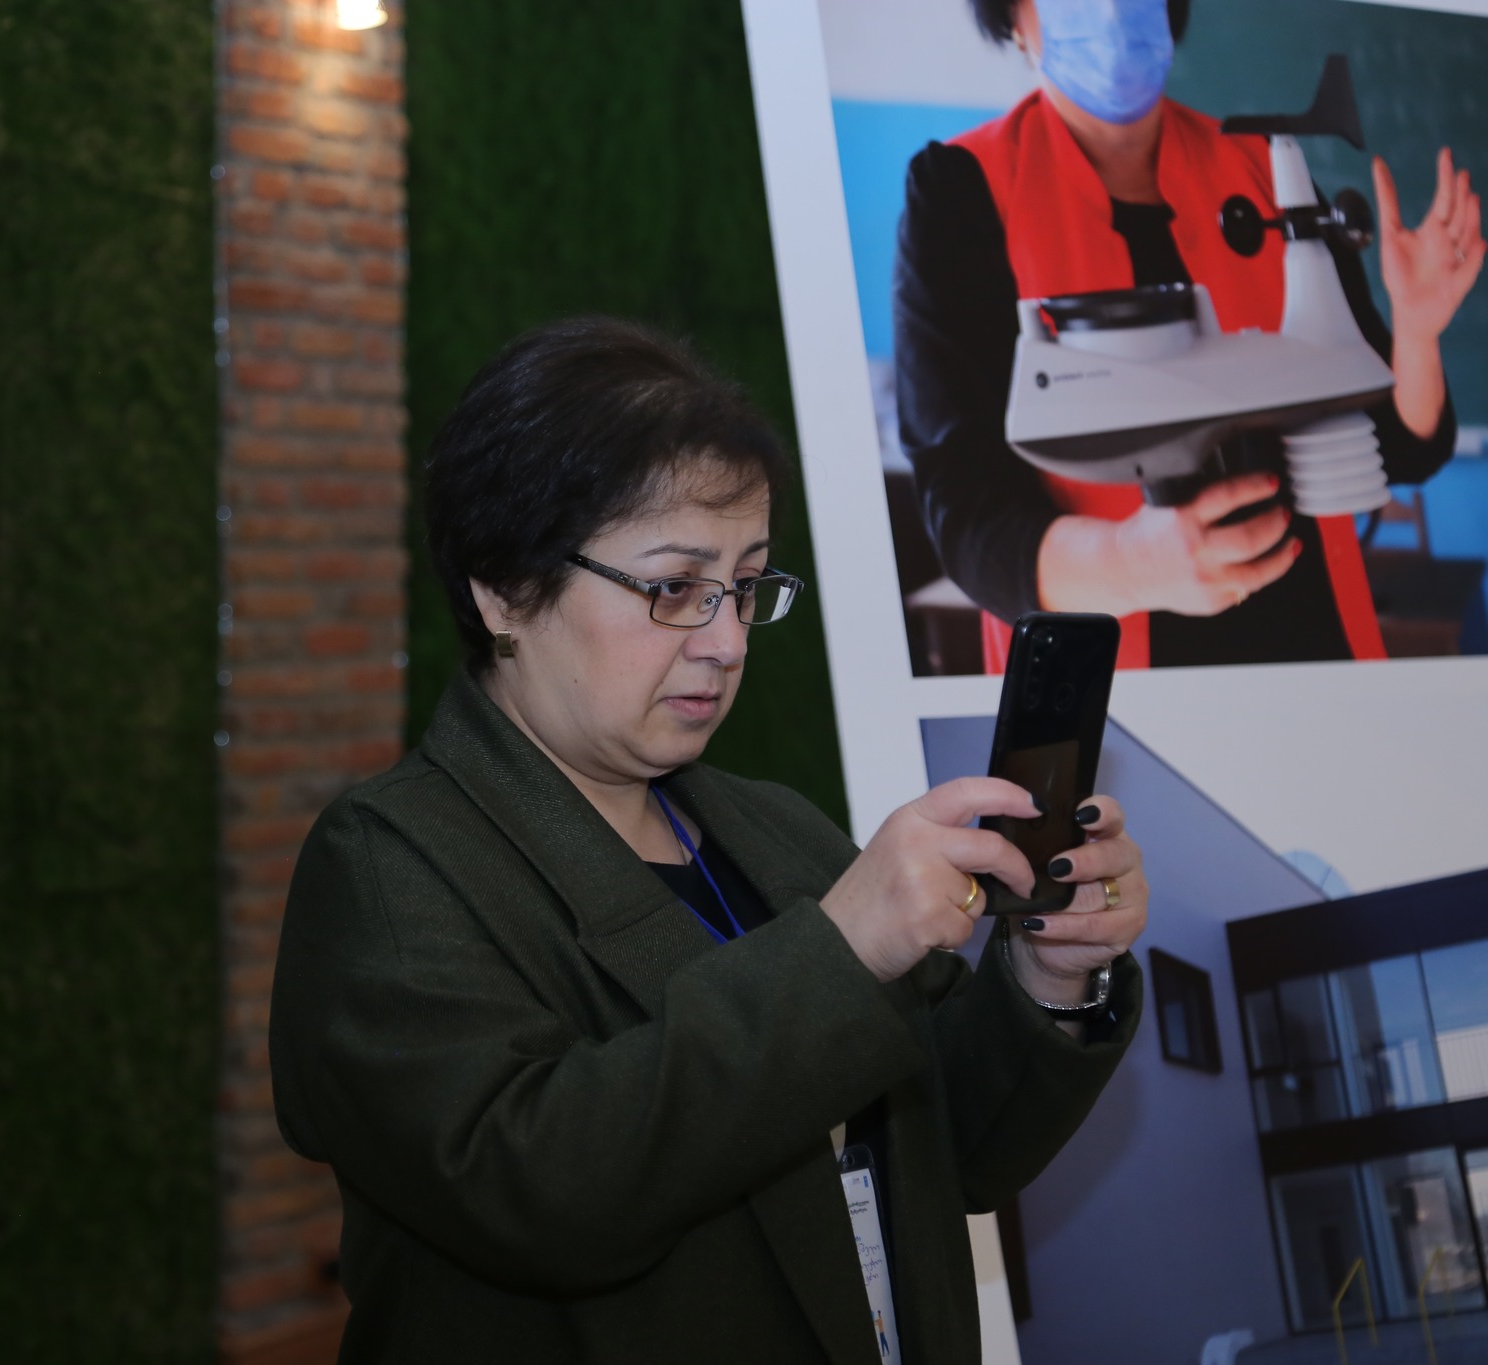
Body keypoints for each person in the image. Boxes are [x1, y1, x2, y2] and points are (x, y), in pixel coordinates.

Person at [269, 317, 1150, 1363]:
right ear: (505, 588)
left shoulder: (772, 827)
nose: (727, 641)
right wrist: (843, 949)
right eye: (674, 588)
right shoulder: (388, 864)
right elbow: (541, 1188)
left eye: (745, 587)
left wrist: (1048, 979)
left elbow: (947, 1146)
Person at [896, 0, 1488, 670]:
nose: (1111, 9)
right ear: (1011, 16)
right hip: (1101, 687)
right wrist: (1131, 565)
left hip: (1318, 658)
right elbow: (964, 512)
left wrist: (1416, 329)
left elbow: (1395, 448)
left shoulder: (1266, 168)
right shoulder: (961, 191)